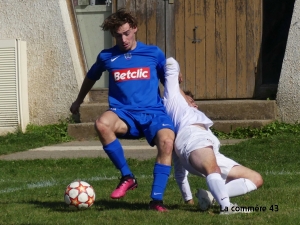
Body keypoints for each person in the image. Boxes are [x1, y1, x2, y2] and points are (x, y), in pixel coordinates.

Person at [70, 9, 175, 212]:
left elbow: (168, 80)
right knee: (101, 124)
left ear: (134, 28)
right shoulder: (107, 57)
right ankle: (127, 176)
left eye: (127, 33)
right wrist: (78, 101)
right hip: (123, 113)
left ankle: (156, 201)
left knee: (167, 142)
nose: (123, 38)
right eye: (118, 35)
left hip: (153, 112)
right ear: (113, 35)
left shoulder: (153, 53)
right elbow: (91, 77)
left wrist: (184, 97)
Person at [163, 57, 263, 214]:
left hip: (207, 147)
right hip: (192, 137)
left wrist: (188, 199)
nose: (194, 103)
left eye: (194, 102)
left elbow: (179, 172)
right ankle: (226, 207)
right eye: (191, 99)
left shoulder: (192, 110)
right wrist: (178, 76)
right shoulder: (173, 100)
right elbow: (170, 62)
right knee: (213, 169)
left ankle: (212, 195)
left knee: (255, 179)